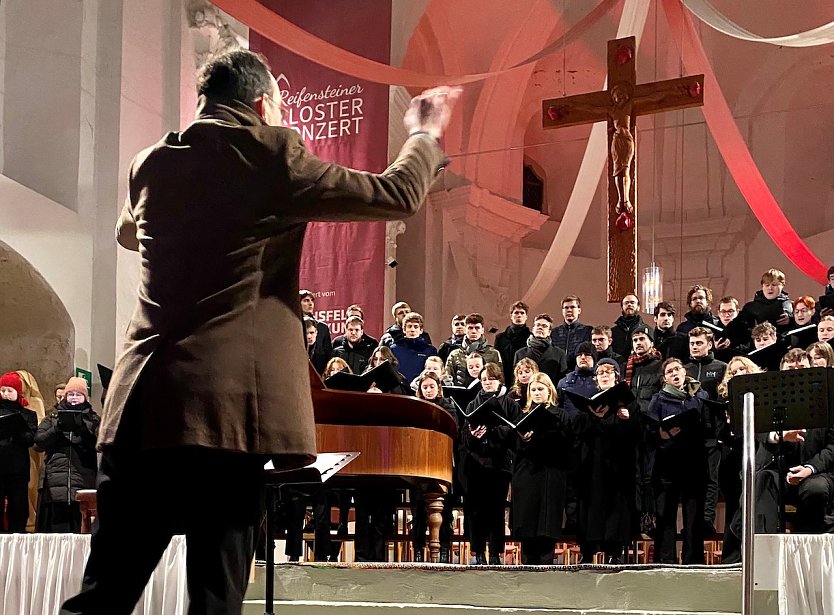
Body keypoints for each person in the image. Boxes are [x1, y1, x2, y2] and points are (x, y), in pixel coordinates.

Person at [61, 48, 459, 614]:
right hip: (222, 413)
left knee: (103, 595)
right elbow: (398, 195)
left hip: (139, 404)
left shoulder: (149, 163)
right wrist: (422, 136)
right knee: (215, 597)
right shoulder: (271, 154)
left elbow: (130, 233)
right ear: (261, 103)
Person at [573, 359, 640, 563]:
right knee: (591, 507)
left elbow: (638, 435)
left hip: (618, 467)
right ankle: (587, 552)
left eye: (608, 372)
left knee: (616, 507)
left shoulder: (629, 404)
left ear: (616, 377)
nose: (604, 375)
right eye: (600, 373)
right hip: (592, 466)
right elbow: (577, 432)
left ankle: (614, 552)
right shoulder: (589, 404)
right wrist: (593, 416)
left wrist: (626, 419)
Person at [646, 358, 708, 564]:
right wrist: (662, 435)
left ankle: (693, 560)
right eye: (669, 371)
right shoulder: (659, 399)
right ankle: (665, 560)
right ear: (665, 378)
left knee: (693, 517)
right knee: (665, 516)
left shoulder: (700, 395)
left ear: (684, 371)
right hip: (667, 463)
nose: (674, 373)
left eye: (677, 369)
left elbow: (707, 425)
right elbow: (650, 429)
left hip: (694, 462)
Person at [510, 373, 572, 565]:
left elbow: (568, 445)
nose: (537, 393)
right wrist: (524, 440)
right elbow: (514, 447)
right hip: (527, 474)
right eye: (533, 390)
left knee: (547, 525)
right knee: (527, 523)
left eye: (540, 389)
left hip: (551, 473)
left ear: (549, 391)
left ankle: (546, 568)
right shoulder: (522, 415)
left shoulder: (561, 414)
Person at [459, 363, 517, 565]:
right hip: (476, 465)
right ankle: (478, 552)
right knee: (476, 511)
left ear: (499, 380)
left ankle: (495, 553)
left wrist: (492, 430)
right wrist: (473, 435)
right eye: (484, 380)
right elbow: (464, 437)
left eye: (491, 379)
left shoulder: (510, 404)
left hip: (499, 465)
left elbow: (513, 431)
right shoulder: (473, 404)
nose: (487, 383)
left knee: (496, 511)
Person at [34, 377, 100, 533]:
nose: (74, 398)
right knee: (57, 527)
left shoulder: (93, 419)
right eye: (71, 394)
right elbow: (39, 442)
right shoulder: (52, 417)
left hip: (82, 479)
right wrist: (56, 429)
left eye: (79, 394)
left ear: (85, 397)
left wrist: (84, 431)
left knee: (80, 525)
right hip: (55, 480)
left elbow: (99, 444)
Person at [410, 371, 459, 563]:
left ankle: (444, 548)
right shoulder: (415, 407)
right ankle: (419, 549)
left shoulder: (448, 407)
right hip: (418, 463)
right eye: (425, 387)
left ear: (438, 388)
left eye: (432, 387)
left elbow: (453, 430)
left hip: (441, 462)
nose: (429, 390)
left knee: (444, 511)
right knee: (418, 511)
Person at [0, 372, 38, 533]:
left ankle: (17, 537)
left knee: (18, 507)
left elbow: (31, 439)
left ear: (18, 392)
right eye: (2, 390)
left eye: (9, 390)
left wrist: (16, 429)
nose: (5, 394)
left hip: (17, 469)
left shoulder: (28, 415)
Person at [513, 313, 567, 385]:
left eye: (544, 326)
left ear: (549, 332)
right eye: (538, 325)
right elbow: (515, 380)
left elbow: (562, 381)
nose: (540, 328)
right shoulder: (520, 353)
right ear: (533, 329)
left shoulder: (559, 354)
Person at [389, 312, 438, 384]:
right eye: (409, 326)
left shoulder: (430, 350)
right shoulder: (394, 349)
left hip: (421, 389)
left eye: (416, 327)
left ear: (421, 330)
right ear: (404, 330)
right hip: (400, 390)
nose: (412, 330)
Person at [551, 295, 592, 370]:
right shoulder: (554, 333)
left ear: (579, 310)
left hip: (578, 372)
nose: (569, 310)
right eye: (566, 308)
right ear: (562, 311)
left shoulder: (588, 331)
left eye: (572, 307)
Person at [494, 302, 530, 385]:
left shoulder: (531, 338)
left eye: (522, 313)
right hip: (505, 378)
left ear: (526, 317)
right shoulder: (500, 338)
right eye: (516, 312)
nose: (519, 315)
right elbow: (497, 361)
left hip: (524, 377)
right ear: (511, 316)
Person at [610, 294, 647, 358]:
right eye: (626, 303)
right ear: (622, 307)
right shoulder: (613, 331)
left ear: (638, 307)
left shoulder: (645, 330)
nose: (629, 305)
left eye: (632, 302)